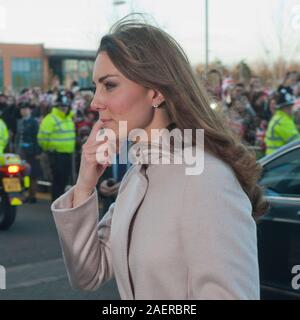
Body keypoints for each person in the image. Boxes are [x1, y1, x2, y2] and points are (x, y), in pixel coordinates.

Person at [51, 16, 268, 300]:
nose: (95, 102)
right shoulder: (137, 175)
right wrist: (83, 186)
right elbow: (88, 274)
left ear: (155, 91)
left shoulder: (205, 178)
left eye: (110, 85)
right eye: (96, 87)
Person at [38, 90, 76, 201]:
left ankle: (60, 201)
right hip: (56, 154)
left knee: (64, 179)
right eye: (61, 106)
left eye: (65, 105)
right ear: (57, 106)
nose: (64, 108)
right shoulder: (50, 119)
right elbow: (42, 138)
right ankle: (55, 201)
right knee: (57, 180)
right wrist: (49, 149)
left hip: (68, 153)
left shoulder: (68, 118)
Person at [15, 102, 41, 203]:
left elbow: (37, 138)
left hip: (32, 152)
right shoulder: (19, 122)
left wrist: (37, 152)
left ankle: (32, 195)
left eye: (25, 109)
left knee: (32, 175)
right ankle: (24, 195)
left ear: (30, 110)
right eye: (22, 109)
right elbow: (17, 138)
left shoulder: (34, 122)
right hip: (21, 152)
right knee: (21, 174)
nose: (23, 111)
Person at [265, 87, 300, 155]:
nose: (292, 110)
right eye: (290, 107)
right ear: (285, 108)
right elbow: (297, 143)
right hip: (280, 160)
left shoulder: (279, 117)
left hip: (276, 157)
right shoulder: (283, 121)